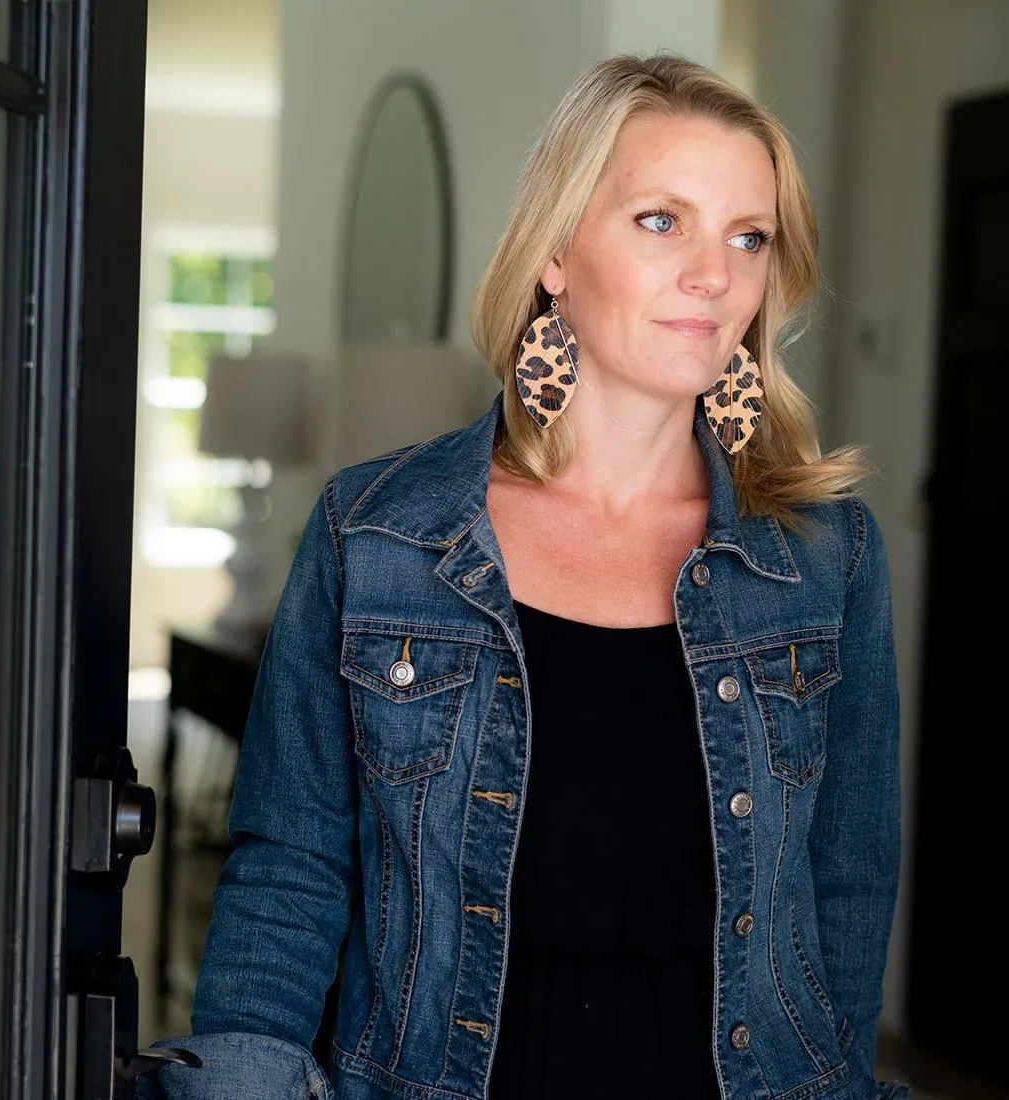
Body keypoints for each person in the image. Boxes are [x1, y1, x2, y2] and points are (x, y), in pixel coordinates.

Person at [140, 52, 909, 1100]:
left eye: (747, 236)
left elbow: (845, 899)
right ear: (554, 250)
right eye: (658, 221)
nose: (712, 274)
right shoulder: (377, 536)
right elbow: (290, 872)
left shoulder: (822, 560)